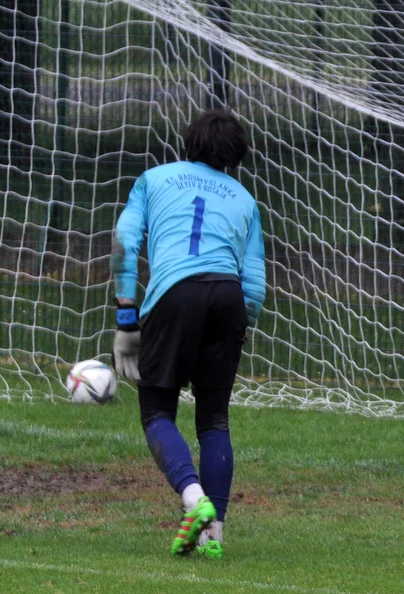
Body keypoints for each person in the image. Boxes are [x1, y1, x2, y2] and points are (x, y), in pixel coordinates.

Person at [110, 107, 266, 559]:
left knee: (157, 410)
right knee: (214, 418)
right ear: (235, 155)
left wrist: (126, 318)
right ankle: (213, 533)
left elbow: (125, 238)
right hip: (229, 296)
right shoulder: (244, 200)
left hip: (176, 293)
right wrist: (239, 327)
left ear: (188, 142)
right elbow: (254, 284)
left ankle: (194, 500)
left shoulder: (155, 179)